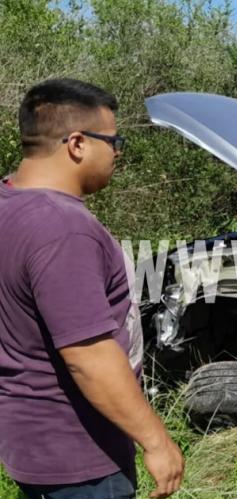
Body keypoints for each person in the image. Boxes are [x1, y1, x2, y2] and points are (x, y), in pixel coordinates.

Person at [0, 79, 184, 498]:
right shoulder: (63, 228)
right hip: (78, 457)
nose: (117, 153)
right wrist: (157, 442)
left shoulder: (9, 203)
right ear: (78, 143)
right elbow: (89, 354)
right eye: (113, 141)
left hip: (30, 441)